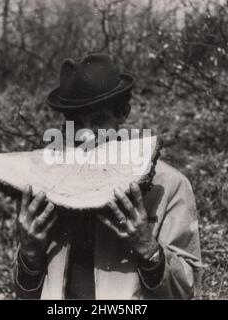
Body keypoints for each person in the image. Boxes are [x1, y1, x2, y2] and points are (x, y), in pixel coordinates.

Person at [13, 54, 202, 299]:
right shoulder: (47, 186)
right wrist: (29, 257)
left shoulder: (169, 186)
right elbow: (25, 293)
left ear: (123, 113)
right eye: (76, 122)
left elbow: (187, 291)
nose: (86, 135)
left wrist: (149, 249)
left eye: (99, 120)